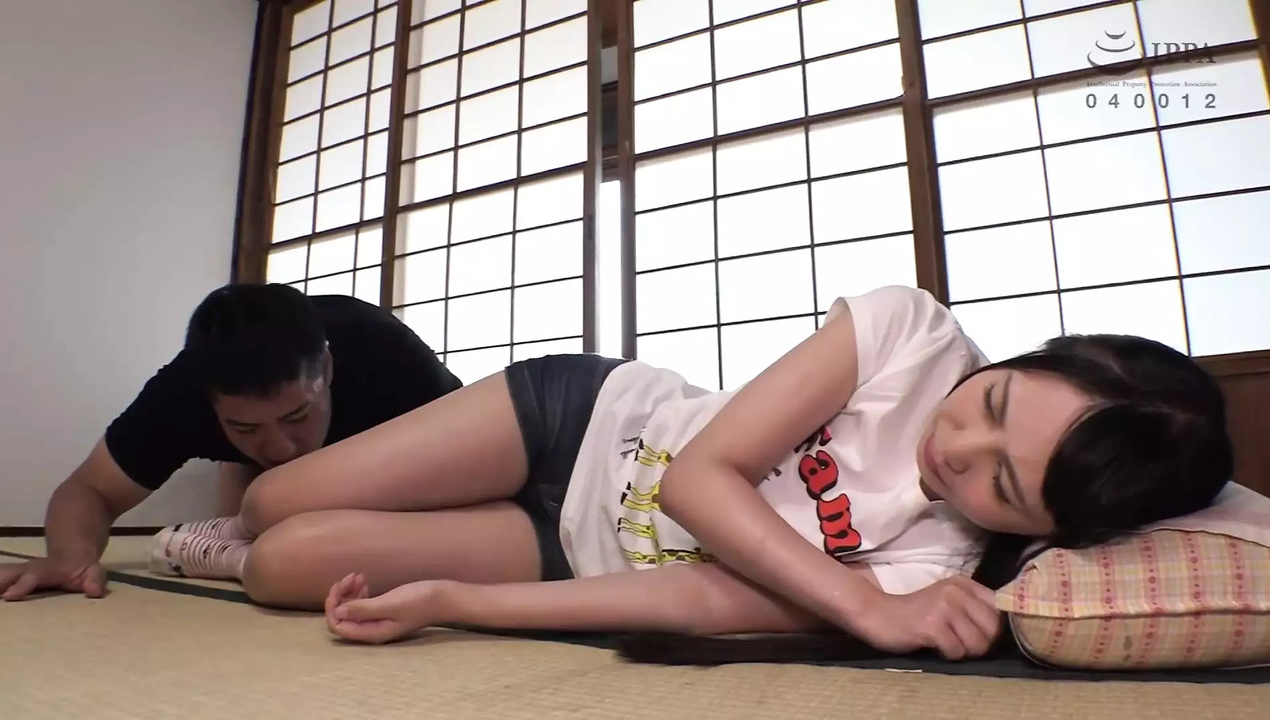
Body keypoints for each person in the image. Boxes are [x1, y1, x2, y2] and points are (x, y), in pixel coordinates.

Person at [65, 284, 1230, 662]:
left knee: (288, 569)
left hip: (570, 546)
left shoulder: (934, 567)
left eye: (1001, 487)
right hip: (580, 419)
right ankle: (221, 529)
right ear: (1021, 356)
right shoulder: (908, 334)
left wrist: (455, 600)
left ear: (1041, 527)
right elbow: (698, 481)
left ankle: (235, 555)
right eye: (993, 404)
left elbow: (689, 595)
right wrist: (861, 609)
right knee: (272, 496)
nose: (954, 450)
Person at [0, 283, 462, 601]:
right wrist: (70, 558)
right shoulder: (181, 393)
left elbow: (478, 451)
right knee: (269, 520)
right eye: (245, 428)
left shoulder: (384, 353)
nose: (280, 447)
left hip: (399, 461)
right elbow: (89, 490)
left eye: (297, 415)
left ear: (326, 369)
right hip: (259, 489)